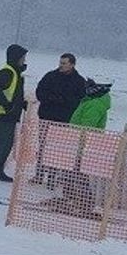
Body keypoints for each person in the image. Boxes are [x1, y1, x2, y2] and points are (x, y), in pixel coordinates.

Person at [48, 79, 114, 217]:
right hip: (78, 143)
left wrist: (75, 141)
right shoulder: (90, 101)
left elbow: (86, 126)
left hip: (82, 145)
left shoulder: (95, 104)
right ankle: (72, 199)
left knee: (78, 174)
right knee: (72, 174)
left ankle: (85, 204)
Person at [33, 53, 88, 184]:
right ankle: (39, 175)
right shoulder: (50, 76)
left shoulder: (79, 81)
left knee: (57, 150)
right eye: (60, 63)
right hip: (46, 117)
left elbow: (79, 101)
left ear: (72, 65)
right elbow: (39, 92)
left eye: (64, 63)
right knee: (42, 147)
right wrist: (50, 98)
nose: (61, 66)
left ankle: (53, 178)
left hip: (64, 120)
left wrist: (63, 100)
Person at [0, 44, 28, 183]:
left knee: (6, 145)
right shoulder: (7, 72)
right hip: (2, 114)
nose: (24, 60)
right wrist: (6, 104)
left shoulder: (16, 73)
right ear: (15, 57)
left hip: (11, 114)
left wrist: (20, 103)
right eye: (22, 57)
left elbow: (13, 93)